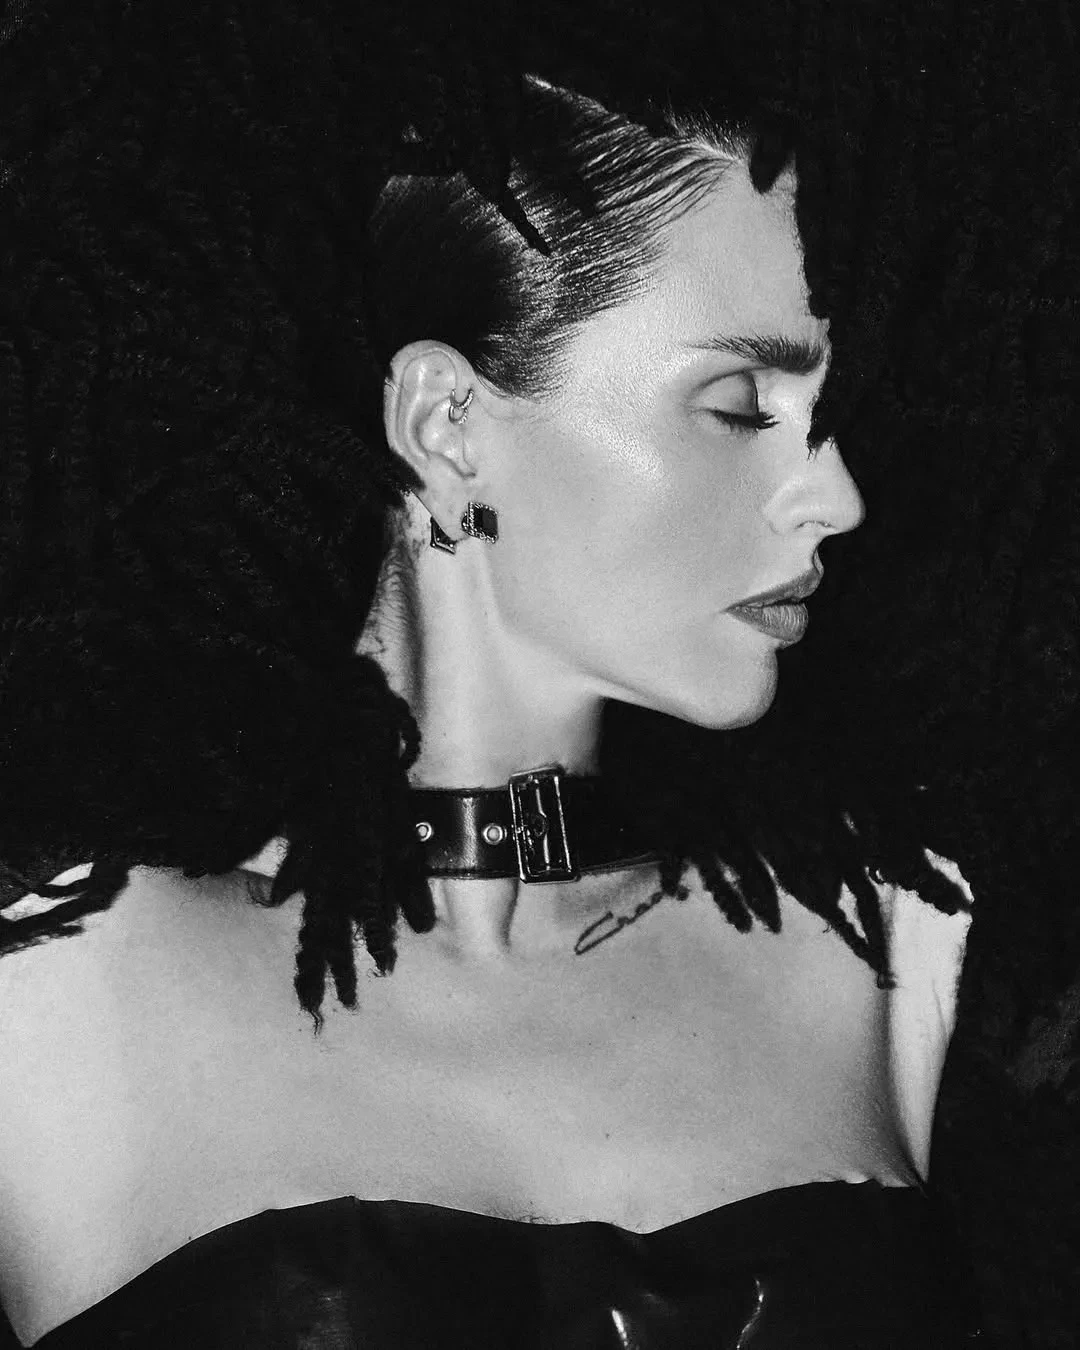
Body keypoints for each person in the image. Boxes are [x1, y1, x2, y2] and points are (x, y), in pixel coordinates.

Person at [0, 2, 983, 1345]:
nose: (835, 494)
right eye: (741, 407)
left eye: (826, 415)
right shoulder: (56, 976)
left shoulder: (890, 932)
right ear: (447, 420)